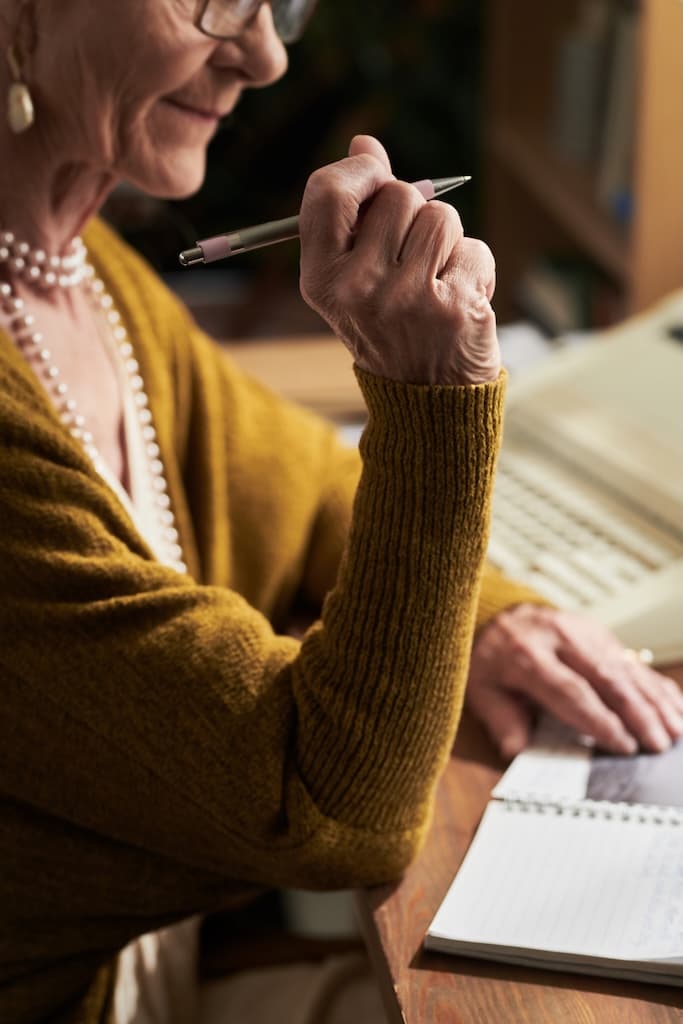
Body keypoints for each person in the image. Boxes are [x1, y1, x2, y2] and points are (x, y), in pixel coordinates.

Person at [0, 1, 681, 1022]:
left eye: (279, 1)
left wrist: (492, 617)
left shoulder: (80, 276)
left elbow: (305, 491)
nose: (262, 56)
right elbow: (332, 807)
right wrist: (433, 400)